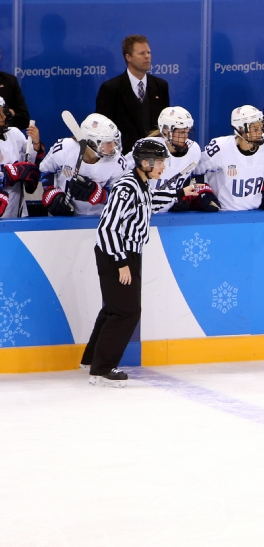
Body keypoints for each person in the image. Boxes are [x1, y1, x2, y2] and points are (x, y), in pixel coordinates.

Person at [81, 139, 193, 387]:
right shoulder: (126, 187)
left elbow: (149, 203)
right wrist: (121, 262)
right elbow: (107, 228)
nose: (164, 167)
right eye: (160, 162)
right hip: (117, 254)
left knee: (113, 308)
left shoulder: (141, 185)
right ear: (145, 162)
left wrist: (178, 193)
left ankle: (91, 360)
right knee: (126, 311)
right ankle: (102, 369)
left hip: (127, 254)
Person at [122, 106, 220, 213]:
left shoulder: (194, 150)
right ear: (166, 131)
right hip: (138, 212)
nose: (186, 137)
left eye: (187, 132)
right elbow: (122, 172)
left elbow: (193, 177)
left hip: (167, 215)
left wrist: (198, 191)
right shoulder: (147, 147)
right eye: (182, 132)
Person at [95, 35, 170, 155]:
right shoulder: (111, 89)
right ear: (128, 57)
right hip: (122, 158)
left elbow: (164, 125)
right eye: (141, 53)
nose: (147, 57)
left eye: (149, 53)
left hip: (154, 158)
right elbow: (102, 129)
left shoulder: (161, 86)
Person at [39, 113, 125, 217]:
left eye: (114, 141)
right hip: (62, 219)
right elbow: (46, 170)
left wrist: (99, 195)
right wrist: (51, 194)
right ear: (92, 143)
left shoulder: (117, 162)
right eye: (108, 143)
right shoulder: (65, 148)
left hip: (98, 219)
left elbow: (121, 195)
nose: (114, 146)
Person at [196, 106, 264, 211]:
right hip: (224, 214)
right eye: (255, 129)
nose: (261, 132)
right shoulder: (221, 148)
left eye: (261, 127)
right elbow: (195, 171)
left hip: (256, 213)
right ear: (241, 129)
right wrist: (204, 192)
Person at [0, 99, 43, 218]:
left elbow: (30, 164)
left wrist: (36, 143)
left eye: (3, 112)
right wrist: (11, 172)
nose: (3, 117)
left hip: (17, 208)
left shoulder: (14, 133)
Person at [0, 65, 31, 130]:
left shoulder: (10, 81)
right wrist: (11, 112)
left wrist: (6, 113)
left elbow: (24, 119)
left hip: (5, 136)